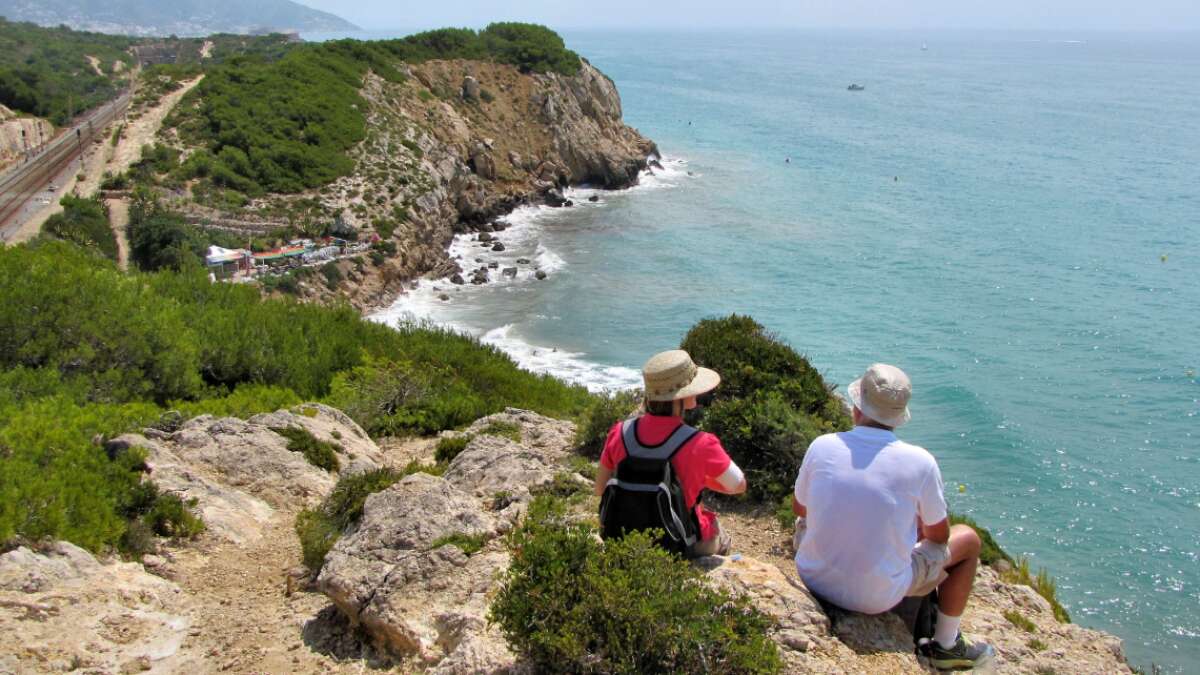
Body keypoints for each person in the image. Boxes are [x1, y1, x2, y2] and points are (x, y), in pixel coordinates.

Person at [791, 363, 995, 670]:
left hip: (813, 576)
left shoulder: (822, 445)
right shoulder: (920, 462)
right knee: (968, 540)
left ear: (857, 406)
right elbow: (939, 538)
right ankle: (946, 646)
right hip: (876, 597)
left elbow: (800, 509)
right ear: (899, 416)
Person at [594, 349, 747, 556]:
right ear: (685, 395)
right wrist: (700, 480)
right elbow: (738, 485)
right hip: (679, 545)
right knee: (720, 535)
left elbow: (600, 489)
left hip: (622, 539)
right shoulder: (702, 443)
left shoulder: (619, 432)